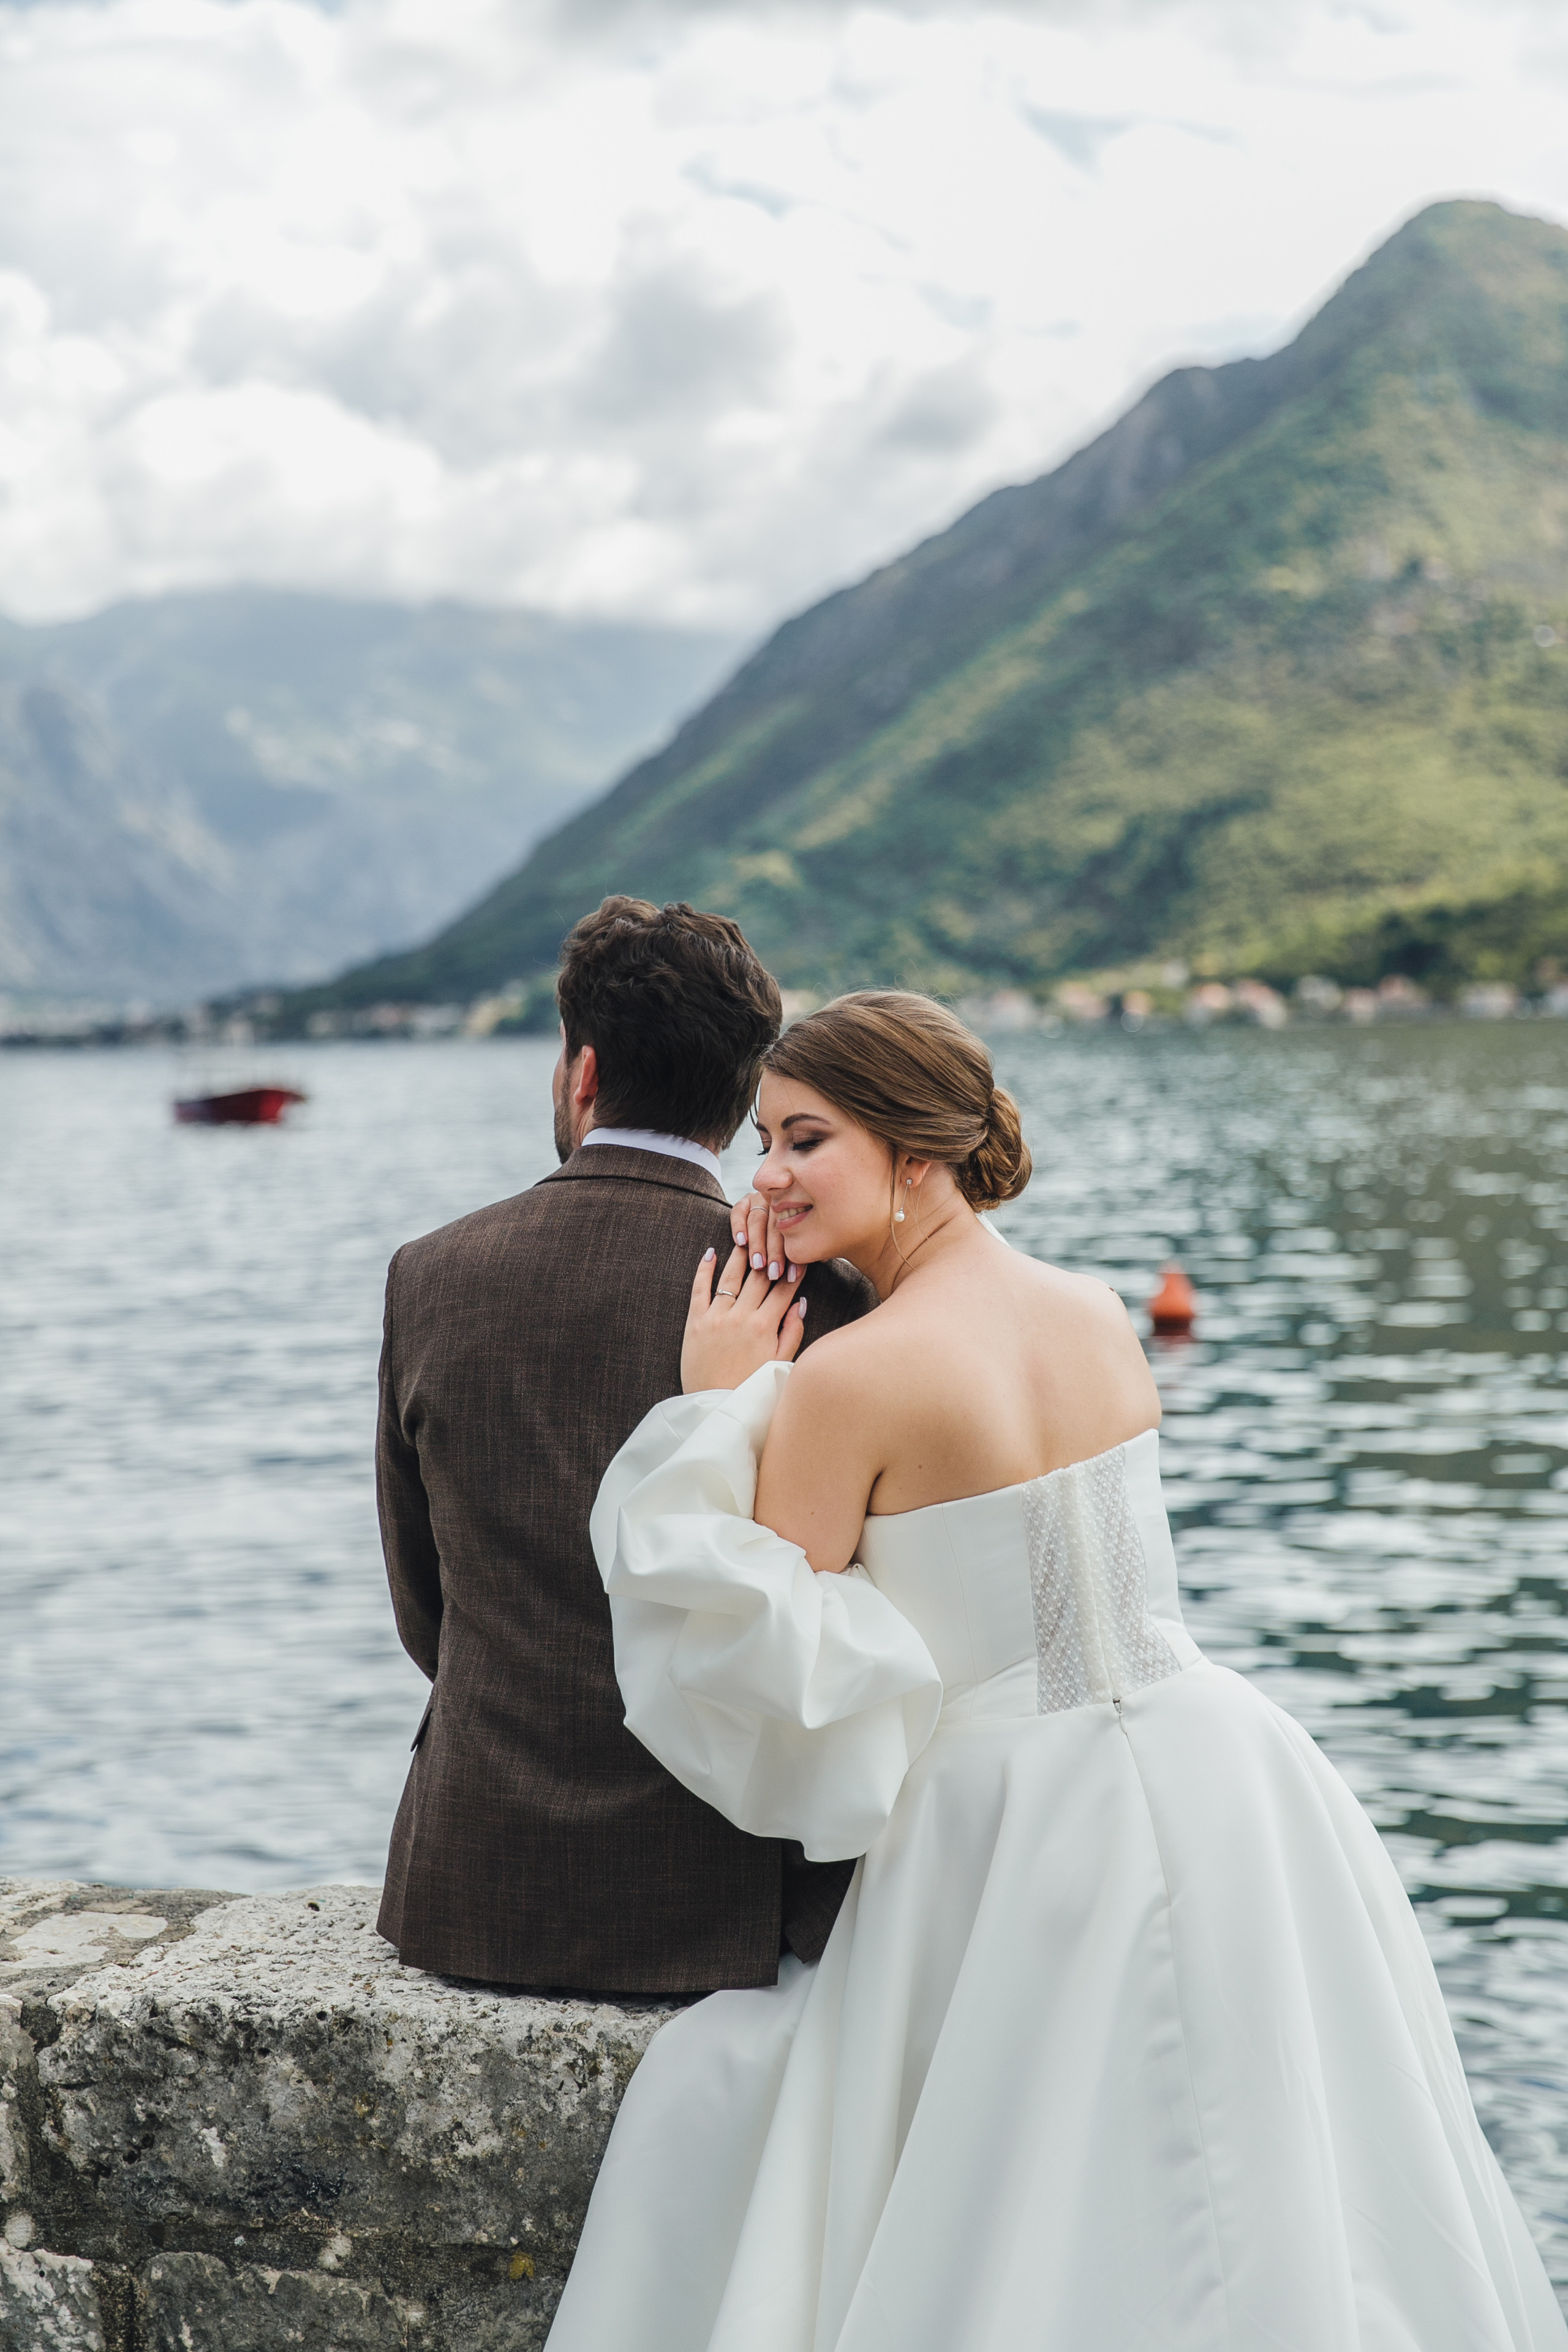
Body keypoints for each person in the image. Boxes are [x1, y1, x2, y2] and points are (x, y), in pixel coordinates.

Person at [546, 989, 1568, 2350]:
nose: (766, 1177)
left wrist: (714, 1401)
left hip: (1005, 1823)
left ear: (912, 1154)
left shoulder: (846, 1385)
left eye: (802, 1140)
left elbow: (782, 1677)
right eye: (762, 1143)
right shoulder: (1095, 1313)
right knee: (1273, 2169)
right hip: (1226, 1767)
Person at [374, 897, 874, 1994]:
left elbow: (428, 1616)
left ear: (582, 1071)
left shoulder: (430, 1274)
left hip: (473, 1882)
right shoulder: (819, 1294)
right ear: (745, 1093)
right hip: (727, 1894)